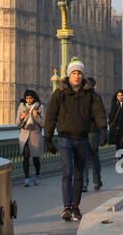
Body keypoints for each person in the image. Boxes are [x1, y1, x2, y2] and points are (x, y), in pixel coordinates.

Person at [44, 61, 106, 221]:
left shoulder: (90, 94)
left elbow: (98, 112)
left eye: (79, 73)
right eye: (74, 73)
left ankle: (76, 206)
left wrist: (103, 129)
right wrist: (48, 137)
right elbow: (51, 115)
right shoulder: (60, 93)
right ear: (69, 75)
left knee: (79, 173)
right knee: (67, 171)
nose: (77, 76)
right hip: (65, 137)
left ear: (82, 75)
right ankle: (66, 207)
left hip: (82, 137)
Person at [16, 89, 44, 187]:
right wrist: (21, 118)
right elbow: (17, 123)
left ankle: (37, 175)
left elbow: (43, 123)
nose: (28, 100)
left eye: (30, 98)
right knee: (26, 157)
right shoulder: (21, 107)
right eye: (27, 98)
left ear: (34, 98)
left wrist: (36, 116)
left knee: (36, 158)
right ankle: (27, 178)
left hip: (35, 134)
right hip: (24, 135)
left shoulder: (40, 107)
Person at [84, 77, 104, 191]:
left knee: (84, 158)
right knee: (94, 157)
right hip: (94, 131)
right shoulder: (97, 98)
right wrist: (103, 131)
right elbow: (101, 115)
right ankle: (97, 181)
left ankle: (84, 183)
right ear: (94, 86)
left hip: (83, 131)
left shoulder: (80, 97)